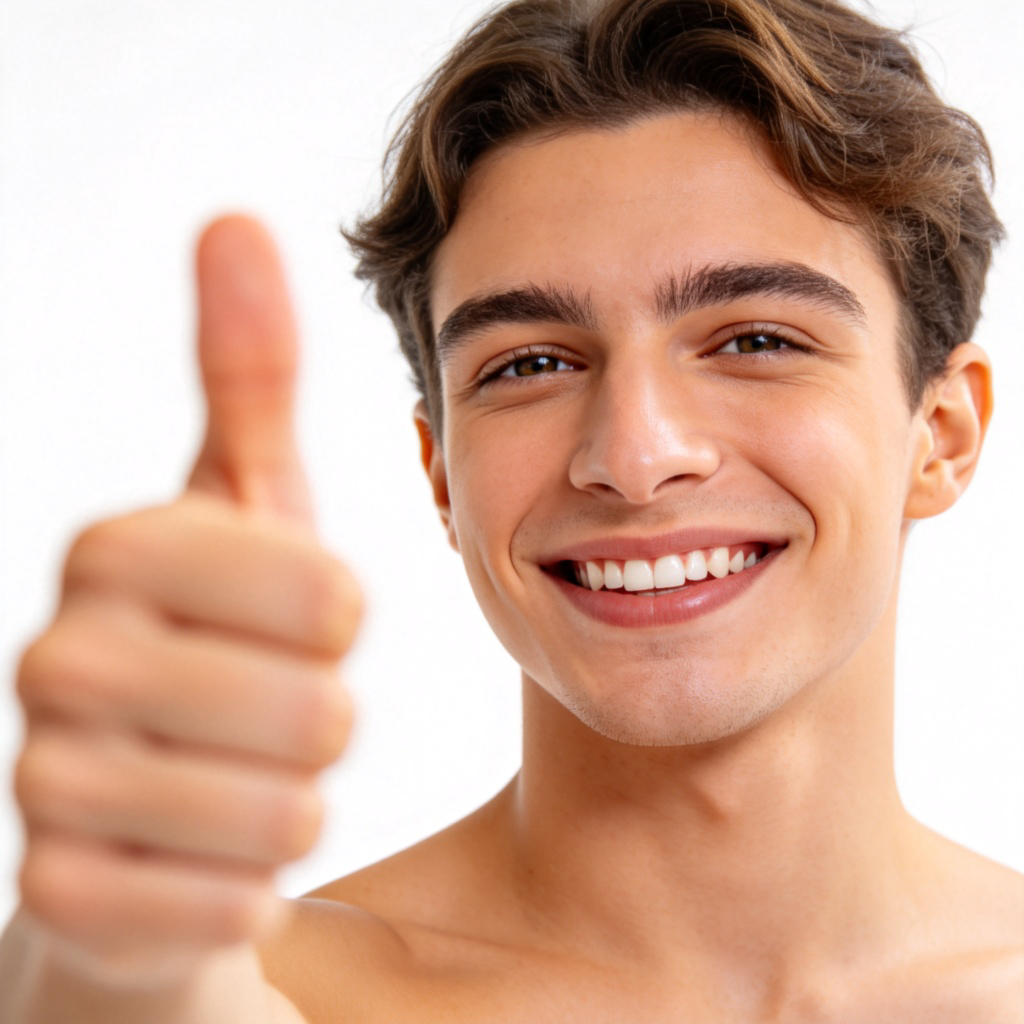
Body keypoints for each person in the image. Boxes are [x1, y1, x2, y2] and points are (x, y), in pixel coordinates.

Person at [2, 0, 1022, 1020]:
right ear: (442, 471)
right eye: (530, 364)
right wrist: (114, 945)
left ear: (942, 435)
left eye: (757, 341)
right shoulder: (286, 992)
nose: (634, 457)